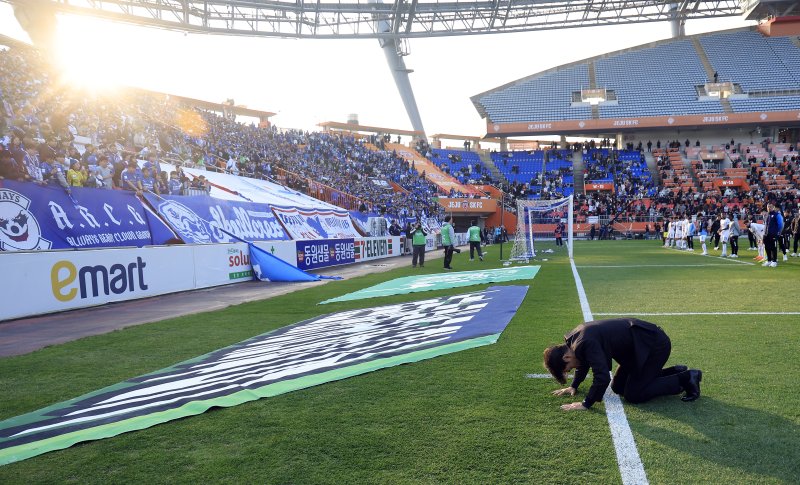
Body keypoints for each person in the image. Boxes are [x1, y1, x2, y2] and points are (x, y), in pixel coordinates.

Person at [543, 318, 702, 411]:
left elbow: (602, 376)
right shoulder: (573, 342)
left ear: (566, 357)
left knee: (634, 395)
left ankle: (687, 377)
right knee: (618, 387)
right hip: (636, 349)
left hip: (653, 346)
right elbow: (583, 362)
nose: (573, 369)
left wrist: (586, 403)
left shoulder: (584, 343)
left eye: (569, 369)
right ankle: (674, 371)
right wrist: (574, 385)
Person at [763, 202, 784, 268]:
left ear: (773, 207)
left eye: (770, 207)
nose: (769, 208)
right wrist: (764, 233)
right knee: (767, 247)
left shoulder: (777, 215)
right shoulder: (766, 215)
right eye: (768, 207)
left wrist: (778, 233)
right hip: (766, 234)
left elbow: (781, 224)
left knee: (773, 247)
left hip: (773, 234)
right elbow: (765, 225)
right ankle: (769, 260)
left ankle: (774, 261)